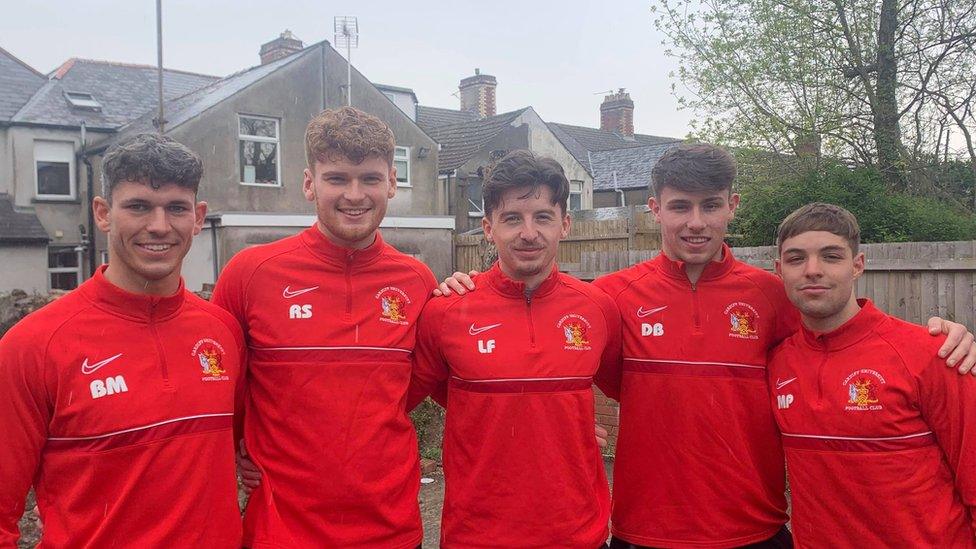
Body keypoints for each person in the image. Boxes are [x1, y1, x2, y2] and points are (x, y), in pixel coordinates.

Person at [440, 143, 976, 548]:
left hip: (755, 528)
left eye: (710, 206)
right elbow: (559, 372)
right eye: (679, 207)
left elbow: (846, 336)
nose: (695, 223)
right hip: (643, 530)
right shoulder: (608, 300)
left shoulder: (773, 295)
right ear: (655, 209)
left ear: (732, 207)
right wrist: (465, 287)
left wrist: (942, 334)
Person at [0, 133, 244, 547]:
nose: (159, 226)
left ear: (198, 217)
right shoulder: (32, 346)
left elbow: (239, 445)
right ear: (103, 213)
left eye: (176, 208)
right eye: (138, 206)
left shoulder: (223, 331)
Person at [212, 106, 436, 548]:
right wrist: (234, 448)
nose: (355, 195)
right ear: (309, 183)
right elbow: (217, 387)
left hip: (391, 532)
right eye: (337, 178)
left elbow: (421, 387)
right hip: (281, 534)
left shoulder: (418, 282)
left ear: (392, 182)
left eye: (370, 178)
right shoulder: (250, 273)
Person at [407, 150, 620, 548]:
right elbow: (390, 403)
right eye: (511, 219)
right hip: (478, 537)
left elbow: (639, 389)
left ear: (565, 224)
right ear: (489, 228)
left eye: (542, 217)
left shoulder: (598, 308)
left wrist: (564, 426)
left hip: (579, 535)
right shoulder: (446, 311)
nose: (528, 232)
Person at [769, 203, 976, 547]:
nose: (812, 270)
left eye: (831, 256)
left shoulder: (932, 353)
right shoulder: (776, 362)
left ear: (857, 265)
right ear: (779, 270)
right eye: (796, 259)